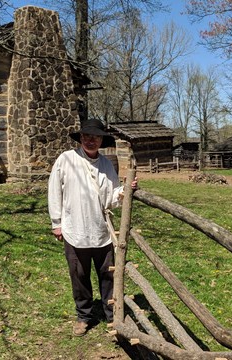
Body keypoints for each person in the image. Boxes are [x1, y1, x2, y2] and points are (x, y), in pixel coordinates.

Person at [48, 119, 137, 337]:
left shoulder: (106, 164)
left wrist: (125, 190)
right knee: (79, 275)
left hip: (101, 231)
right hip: (74, 229)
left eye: (95, 137)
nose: (90, 140)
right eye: (86, 136)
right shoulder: (66, 160)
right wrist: (57, 223)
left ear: (101, 140)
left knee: (107, 275)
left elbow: (113, 196)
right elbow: (54, 191)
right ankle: (84, 316)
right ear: (80, 138)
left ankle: (111, 314)